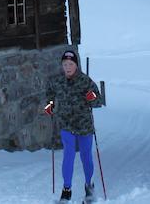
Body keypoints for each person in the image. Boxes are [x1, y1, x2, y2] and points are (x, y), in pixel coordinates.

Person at [43, 49, 104, 202]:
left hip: (84, 125)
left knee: (85, 156)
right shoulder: (57, 81)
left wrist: (92, 97)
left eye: (70, 64)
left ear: (76, 65)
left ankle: (89, 187)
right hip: (66, 125)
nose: (68, 67)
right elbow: (49, 93)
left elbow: (98, 100)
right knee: (68, 156)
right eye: (65, 64)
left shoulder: (85, 81)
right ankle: (66, 190)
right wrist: (49, 105)